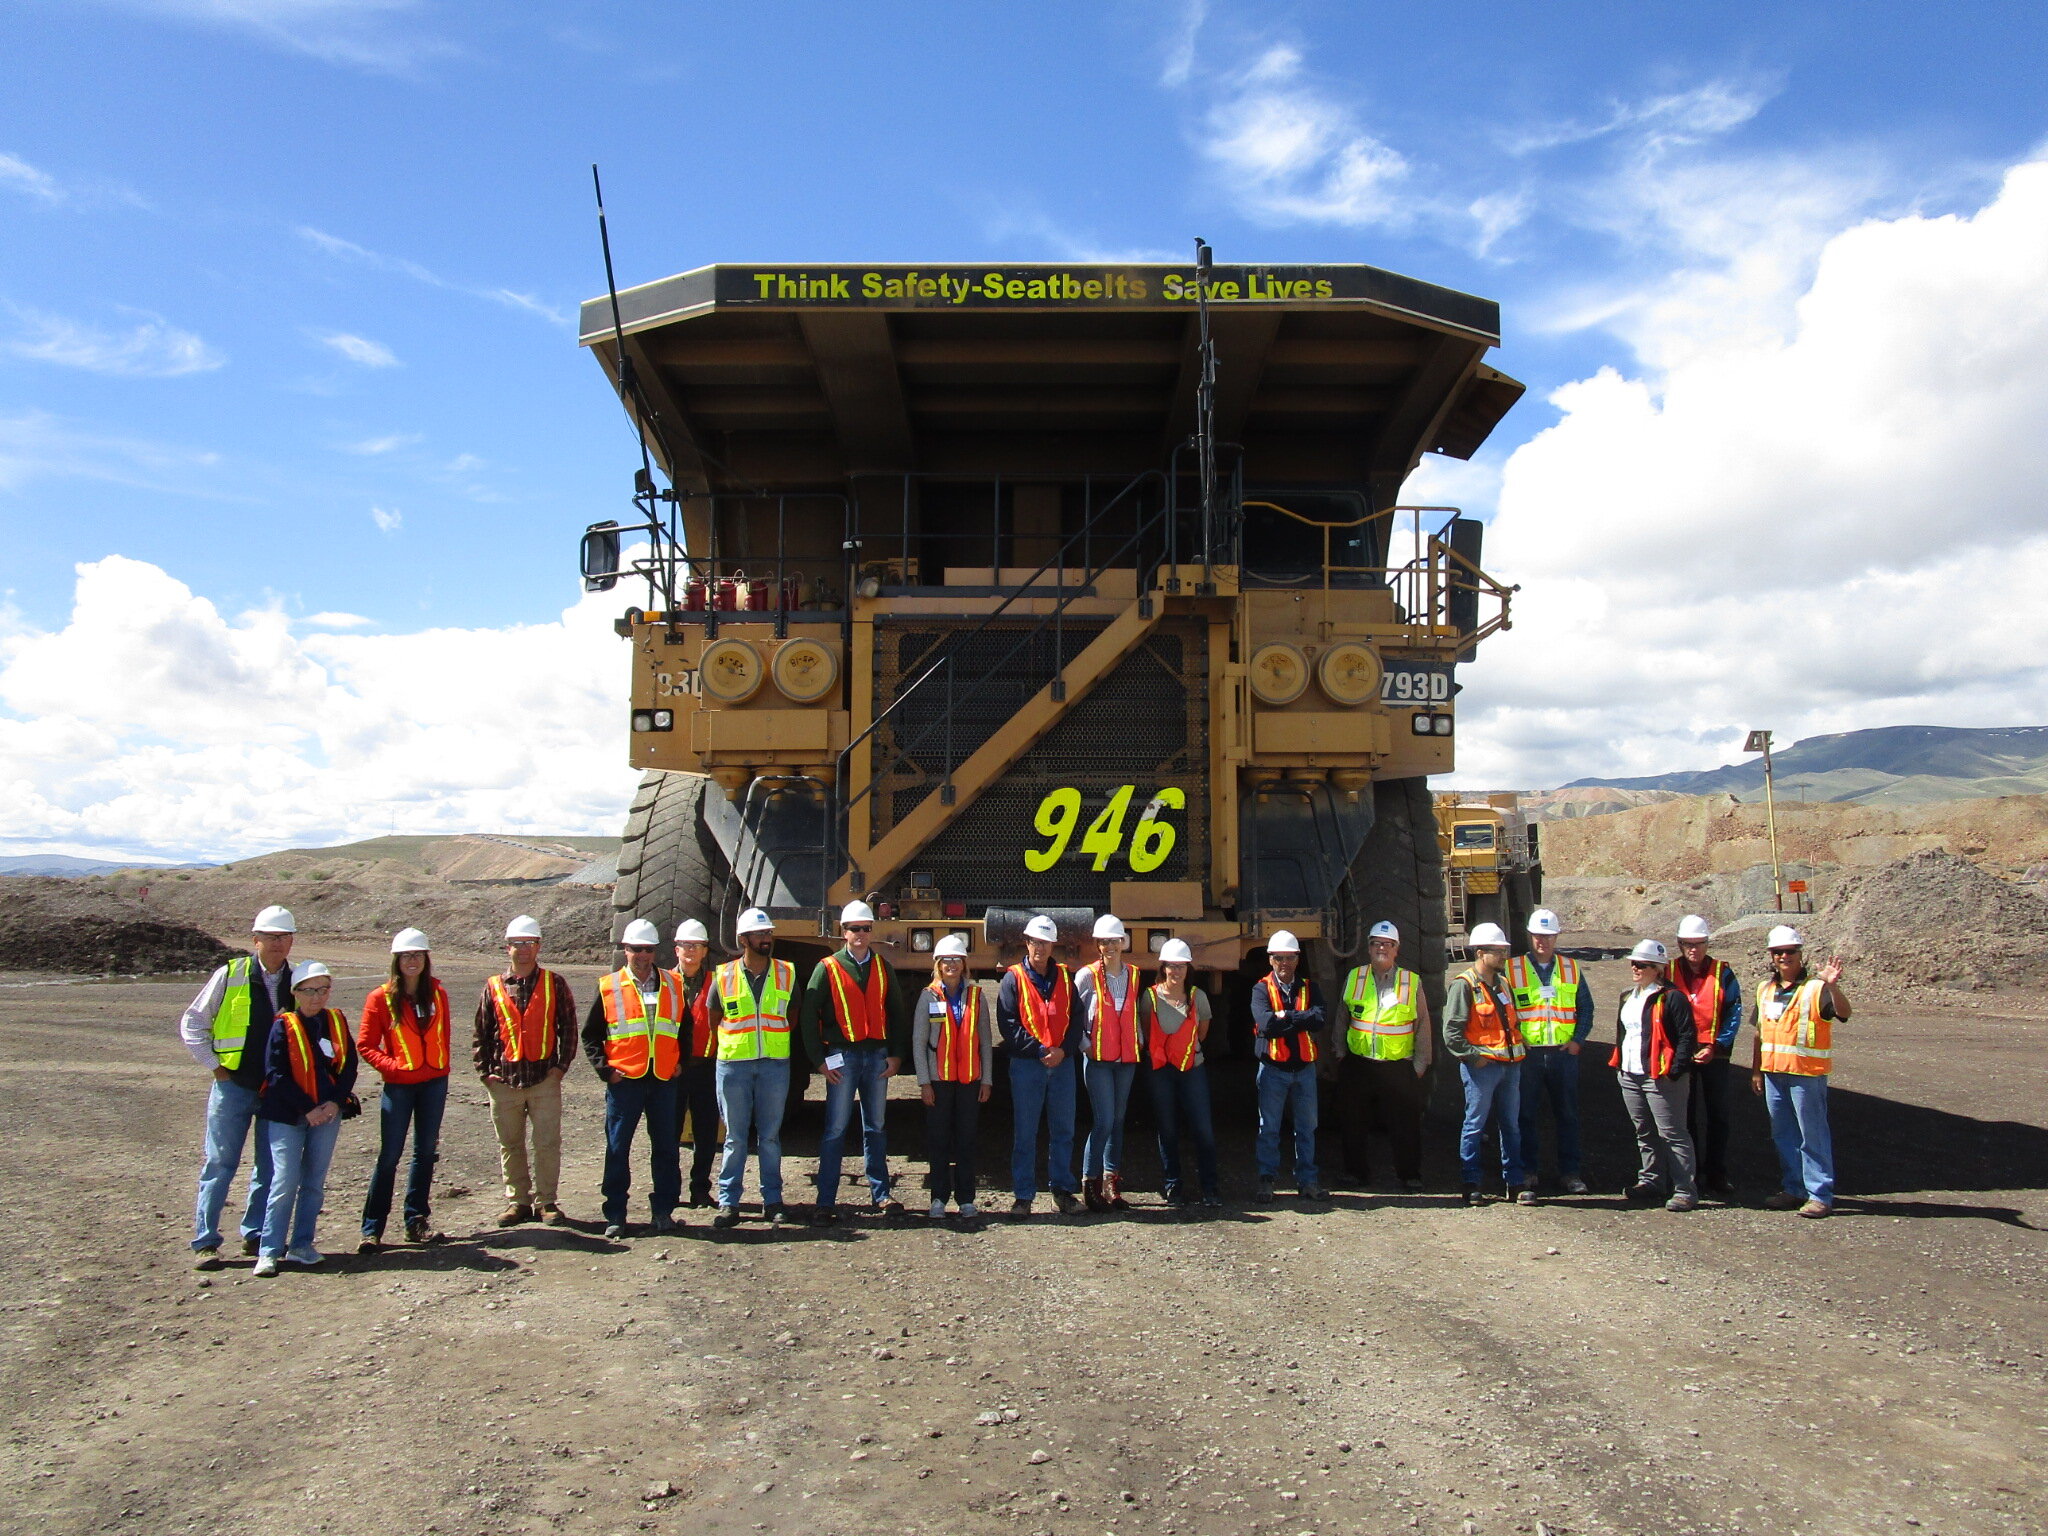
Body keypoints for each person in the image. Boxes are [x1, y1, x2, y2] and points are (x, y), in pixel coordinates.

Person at [180, 905, 296, 1270]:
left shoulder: (299, 980)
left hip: (275, 1090)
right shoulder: (230, 974)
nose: (278, 943)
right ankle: (206, 1241)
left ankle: (256, 1234)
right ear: (255, 940)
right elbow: (194, 1022)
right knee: (220, 1164)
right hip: (233, 1087)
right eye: (271, 937)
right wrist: (216, 1069)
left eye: (284, 936)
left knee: (268, 1167)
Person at [800, 899, 911, 1221]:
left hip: (877, 1057)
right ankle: (826, 1200)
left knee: (875, 1126)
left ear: (871, 931)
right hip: (841, 1057)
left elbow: (897, 1014)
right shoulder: (828, 968)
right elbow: (809, 1015)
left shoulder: (882, 966)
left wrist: (896, 1055)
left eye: (865, 928)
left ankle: (881, 1194)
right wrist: (819, 1060)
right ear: (843, 932)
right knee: (835, 1128)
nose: (860, 934)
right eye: (854, 929)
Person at [253, 962, 357, 1275]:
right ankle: (269, 1250)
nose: (316, 997)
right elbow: (276, 1074)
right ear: (296, 992)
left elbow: (348, 1066)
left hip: (327, 1115)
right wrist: (307, 1109)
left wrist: (334, 1104)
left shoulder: (336, 1021)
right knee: (284, 1181)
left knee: (313, 1182)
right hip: (287, 1115)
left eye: (323, 989)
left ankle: (301, 1245)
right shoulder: (283, 1025)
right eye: (309, 990)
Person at [474, 915, 579, 1227]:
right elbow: (481, 1032)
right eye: (517, 944)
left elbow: (568, 1028)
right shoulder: (493, 986)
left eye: (529, 943)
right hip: (504, 1080)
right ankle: (517, 1201)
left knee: (547, 1143)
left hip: (544, 1079)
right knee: (510, 1143)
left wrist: (560, 1069)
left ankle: (547, 1201)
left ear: (538, 947)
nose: (523, 949)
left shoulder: (554, 983)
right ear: (508, 948)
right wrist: (486, 1074)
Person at [584, 919, 686, 1238]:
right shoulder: (609, 986)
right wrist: (606, 1071)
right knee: (618, 1148)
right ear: (624, 950)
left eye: (648, 950)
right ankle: (615, 1213)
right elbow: (590, 1036)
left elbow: (687, 1027)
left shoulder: (673, 984)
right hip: (625, 1081)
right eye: (635, 949)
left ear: (656, 952)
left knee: (667, 1148)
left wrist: (682, 1061)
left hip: (663, 1081)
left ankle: (664, 1211)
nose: (641, 956)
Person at [356, 927, 452, 1252]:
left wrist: (439, 1068)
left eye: (418, 955)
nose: (412, 961)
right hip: (399, 1088)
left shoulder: (438, 994)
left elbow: (444, 1035)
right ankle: (372, 1229)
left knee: (425, 1154)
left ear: (426, 959)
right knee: (389, 1156)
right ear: (396, 961)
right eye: (406, 956)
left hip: (434, 1084)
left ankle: (416, 1221)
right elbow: (366, 1045)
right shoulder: (379, 998)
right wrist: (393, 1068)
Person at [706, 907, 798, 1229]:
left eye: (768, 934)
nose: (766, 939)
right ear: (743, 939)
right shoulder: (724, 975)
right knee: (735, 1137)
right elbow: (713, 1019)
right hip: (734, 1067)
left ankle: (772, 1201)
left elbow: (793, 1015)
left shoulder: (786, 972)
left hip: (774, 1065)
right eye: (759, 934)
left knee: (770, 1137)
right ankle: (728, 1203)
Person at [1751, 925, 1851, 1218]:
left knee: (1812, 1136)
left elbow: (1844, 1013)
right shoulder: (1764, 989)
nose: (1784, 957)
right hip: (1773, 1074)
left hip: (1806, 1075)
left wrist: (1832, 985)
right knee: (1784, 1135)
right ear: (1771, 956)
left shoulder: (1816, 988)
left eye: (1790, 952)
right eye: (1778, 952)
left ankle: (1820, 1194)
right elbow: (1759, 1033)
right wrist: (1756, 1071)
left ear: (1800, 954)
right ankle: (1793, 1189)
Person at [1336, 920, 1433, 1194]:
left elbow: (1423, 1023)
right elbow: (1342, 1017)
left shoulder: (1410, 981)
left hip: (1398, 1066)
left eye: (1387, 944)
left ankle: (1410, 1175)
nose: (1382, 948)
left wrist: (1420, 1064)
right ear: (1368, 948)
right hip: (1360, 1063)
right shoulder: (1355, 977)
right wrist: (1340, 1053)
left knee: (1405, 1125)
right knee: (1353, 1121)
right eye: (1376, 943)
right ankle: (1355, 1173)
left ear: (1396, 950)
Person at [997, 913, 1084, 1219]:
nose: (1040, 948)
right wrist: (1040, 1050)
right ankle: (1023, 1196)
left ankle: (1061, 1191)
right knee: (1026, 1132)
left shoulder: (1064, 976)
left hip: (1062, 1065)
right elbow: (1008, 1024)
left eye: (1046, 943)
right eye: (1035, 941)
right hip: (1028, 1065)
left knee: (1063, 1131)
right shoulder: (1013, 979)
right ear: (1027, 942)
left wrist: (1064, 1050)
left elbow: (1077, 1020)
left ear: (1053, 945)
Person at [1611, 940, 1702, 1212]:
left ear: (1657, 969)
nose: (1636, 968)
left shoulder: (1672, 997)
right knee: (1644, 1131)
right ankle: (1651, 1180)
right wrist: (1621, 1068)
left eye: (1642, 965)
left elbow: (1687, 1036)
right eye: (1634, 963)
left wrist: (1675, 1071)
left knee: (1673, 1132)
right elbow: (1623, 1033)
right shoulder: (1628, 996)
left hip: (1660, 1077)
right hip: (1630, 1074)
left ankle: (1685, 1189)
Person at [1442, 922, 1529, 1205]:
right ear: (1481, 953)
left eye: (1504, 950)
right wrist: (1474, 1058)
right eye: (1498, 950)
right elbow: (1451, 1033)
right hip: (1482, 1069)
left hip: (1510, 1067)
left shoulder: (1503, 983)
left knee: (1511, 1126)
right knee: (1475, 1125)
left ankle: (1515, 1182)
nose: (1504, 955)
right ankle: (1471, 1183)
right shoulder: (1463, 985)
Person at [1507, 908, 1593, 1195]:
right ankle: (1529, 1170)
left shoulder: (1571, 968)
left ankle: (1570, 1173)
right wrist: (1516, 1040)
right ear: (1530, 937)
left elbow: (1586, 1008)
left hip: (1562, 1055)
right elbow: (1503, 1011)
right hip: (1528, 1056)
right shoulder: (1513, 969)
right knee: (1525, 1115)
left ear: (1556, 937)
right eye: (1537, 936)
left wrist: (1578, 1040)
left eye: (1547, 936)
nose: (1542, 941)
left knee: (1567, 1115)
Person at [912, 934, 994, 1222]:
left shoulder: (976, 996)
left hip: (970, 1081)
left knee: (966, 1140)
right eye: (946, 960)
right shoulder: (928, 996)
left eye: (956, 959)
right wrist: (924, 1082)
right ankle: (938, 1197)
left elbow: (985, 1040)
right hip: (939, 1081)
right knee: (938, 1140)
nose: (951, 964)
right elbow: (919, 1041)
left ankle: (966, 1199)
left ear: (964, 964)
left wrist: (987, 1080)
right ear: (937, 964)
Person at [1140, 938, 1219, 1208]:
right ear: (1163, 968)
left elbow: (1204, 1032)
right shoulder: (1149, 997)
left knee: (1203, 1130)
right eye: (1171, 966)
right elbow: (1147, 1032)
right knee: (1168, 1129)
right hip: (1161, 1071)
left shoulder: (1199, 998)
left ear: (1188, 968)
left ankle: (1210, 1188)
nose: (1176, 971)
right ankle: (1173, 1186)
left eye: (1181, 966)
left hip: (1192, 1069)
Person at [1670, 915, 1744, 1196]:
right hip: (1682, 1053)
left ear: (1706, 943)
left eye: (1699, 944)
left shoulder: (1723, 972)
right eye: (1688, 944)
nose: (1693, 950)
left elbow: (1733, 1011)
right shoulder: (1669, 970)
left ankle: (1716, 1173)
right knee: (1684, 1117)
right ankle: (1689, 1173)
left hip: (1715, 1055)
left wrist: (1717, 1045)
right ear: (1680, 944)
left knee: (1718, 1115)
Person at [1249, 930, 1325, 1203]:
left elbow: (1319, 1019)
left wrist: (1286, 1015)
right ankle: (1267, 1181)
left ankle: (1308, 1181)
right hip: (1273, 1069)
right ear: (1271, 960)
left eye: (1290, 958)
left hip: (1304, 1069)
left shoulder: (1308, 987)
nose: (1284, 963)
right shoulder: (1261, 989)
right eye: (1279, 958)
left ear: (1297, 959)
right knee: (1269, 1128)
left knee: (1307, 1128)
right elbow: (1266, 1024)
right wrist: (1299, 1018)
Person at [1076, 913, 1143, 1212]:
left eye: (1114, 940)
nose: (1109, 946)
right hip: (1099, 1060)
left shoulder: (1133, 975)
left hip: (1125, 1059)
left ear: (1123, 943)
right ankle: (1090, 1185)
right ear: (1098, 945)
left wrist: (1139, 1038)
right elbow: (1073, 1017)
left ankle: (1111, 1184)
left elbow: (1133, 1012)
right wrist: (1085, 1046)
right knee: (1103, 1121)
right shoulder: (1086, 976)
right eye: (1104, 941)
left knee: (1118, 1121)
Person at [672, 918, 720, 1208]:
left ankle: (700, 1189)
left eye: (697, 946)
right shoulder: (663, 982)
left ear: (705, 951)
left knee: (705, 1133)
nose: (690, 950)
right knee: (669, 1133)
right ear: (676, 949)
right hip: (673, 1069)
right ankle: (670, 1189)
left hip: (707, 1066)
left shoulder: (718, 983)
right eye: (685, 945)